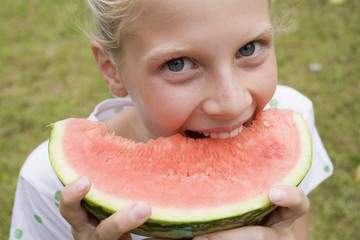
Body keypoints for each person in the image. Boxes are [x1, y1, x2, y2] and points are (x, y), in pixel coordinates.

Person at [10, 0, 333, 239]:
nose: (232, 102)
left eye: (249, 48)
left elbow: (293, 228)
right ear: (112, 69)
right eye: (178, 64)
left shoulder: (293, 117)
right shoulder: (50, 183)